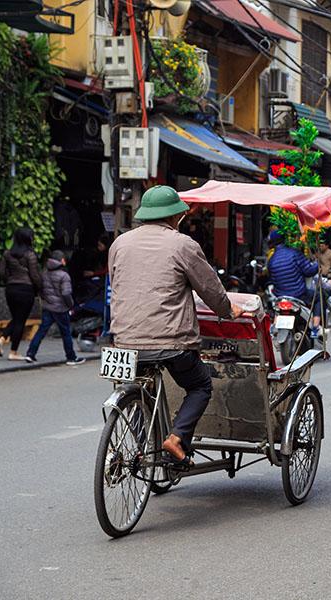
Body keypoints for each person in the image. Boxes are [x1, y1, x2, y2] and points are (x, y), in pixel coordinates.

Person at [109, 186, 242, 467]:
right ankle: (177, 438)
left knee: (140, 385)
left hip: (123, 341)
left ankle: (141, 442)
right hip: (171, 341)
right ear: (176, 216)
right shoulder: (183, 244)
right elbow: (210, 290)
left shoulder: (119, 244)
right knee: (200, 385)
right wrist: (228, 310)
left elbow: (117, 281)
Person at [24, 250, 85, 365]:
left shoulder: (44, 273)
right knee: (66, 333)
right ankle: (71, 357)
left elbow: (41, 289)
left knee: (41, 331)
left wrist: (46, 300)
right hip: (61, 308)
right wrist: (71, 305)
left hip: (48, 307)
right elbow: (66, 293)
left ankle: (30, 354)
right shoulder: (64, 275)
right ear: (62, 260)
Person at [0, 227, 42, 360]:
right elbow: (35, 275)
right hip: (26, 290)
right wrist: (39, 288)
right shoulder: (29, 255)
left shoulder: (7, 254)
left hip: (10, 289)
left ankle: (2, 338)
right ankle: (13, 352)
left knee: (16, 318)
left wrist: (9, 281)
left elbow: (2, 272)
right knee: (20, 320)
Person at [269, 233, 322, 334]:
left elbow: (272, 280)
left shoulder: (271, 260)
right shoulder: (294, 253)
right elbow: (308, 271)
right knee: (318, 297)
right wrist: (316, 264)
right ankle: (316, 328)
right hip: (298, 294)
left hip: (280, 296)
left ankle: (274, 327)